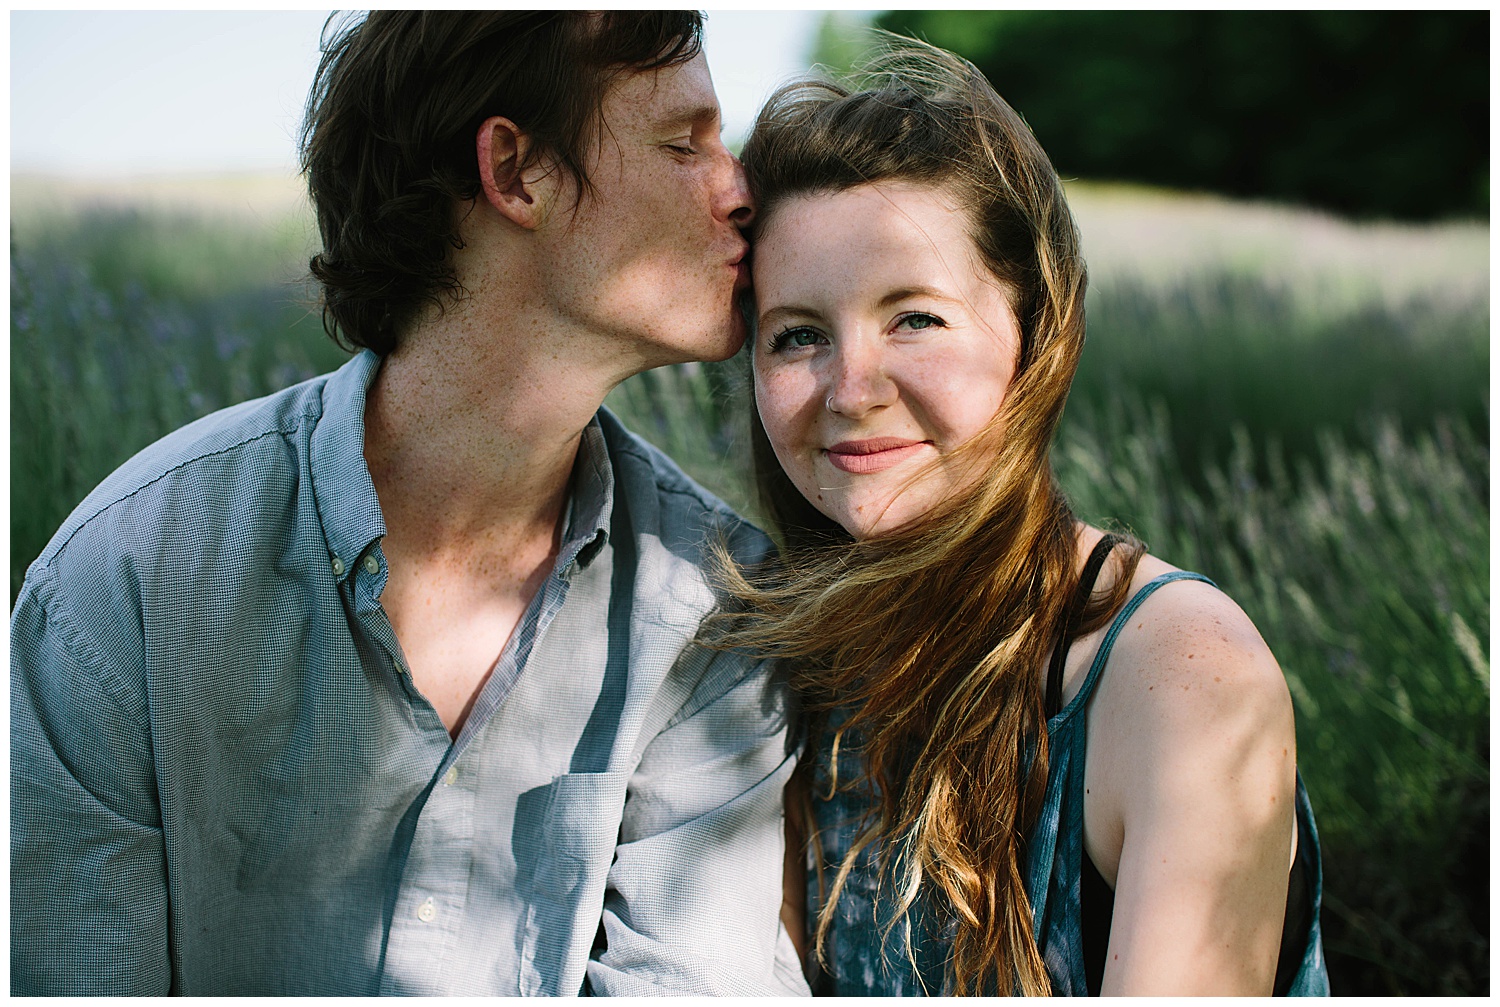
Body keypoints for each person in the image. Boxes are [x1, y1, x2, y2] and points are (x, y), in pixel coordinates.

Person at [11, 11, 807, 996]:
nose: (740, 191)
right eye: (684, 143)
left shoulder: (714, 609)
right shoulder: (129, 579)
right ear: (517, 171)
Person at [714, 39, 1329, 995]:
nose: (851, 388)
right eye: (798, 335)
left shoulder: (1178, 674)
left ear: (1035, 334)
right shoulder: (776, 664)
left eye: (914, 317)